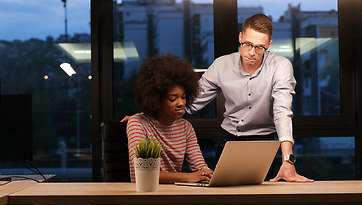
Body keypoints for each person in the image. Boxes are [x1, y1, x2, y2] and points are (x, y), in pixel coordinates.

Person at [185, 13, 313, 182]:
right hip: (228, 140)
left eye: (260, 47)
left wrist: (287, 159)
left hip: (262, 142)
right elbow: (191, 103)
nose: (252, 52)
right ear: (240, 37)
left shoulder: (281, 66)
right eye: (248, 44)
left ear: (269, 44)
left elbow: (282, 110)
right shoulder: (221, 65)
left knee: (260, 198)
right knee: (225, 195)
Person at [127, 54, 213, 183]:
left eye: (183, 97)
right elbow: (142, 172)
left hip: (173, 195)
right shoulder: (138, 123)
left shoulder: (185, 127)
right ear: (157, 100)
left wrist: (208, 174)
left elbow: (199, 166)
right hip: (145, 194)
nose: (181, 103)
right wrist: (188, 177)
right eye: (173, 99)